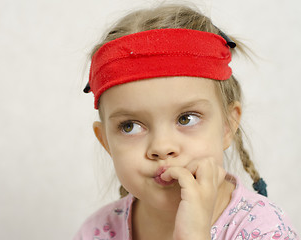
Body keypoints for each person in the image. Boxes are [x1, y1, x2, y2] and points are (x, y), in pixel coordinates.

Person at [74, 3, 298, 240]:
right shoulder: (97, 232)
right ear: (106, 142)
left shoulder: (267, 230)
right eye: (130, 126)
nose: (162, 147)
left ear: (227, 126)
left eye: (186, 118)